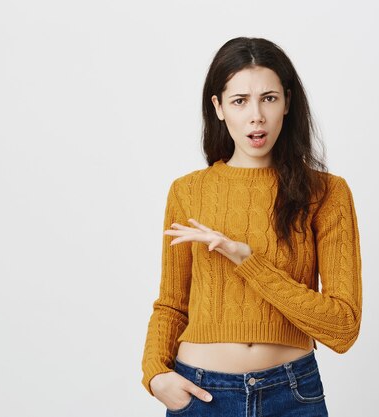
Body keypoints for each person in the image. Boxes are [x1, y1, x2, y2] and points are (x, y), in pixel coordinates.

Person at [141, 37, 362, 417]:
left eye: (269, 98)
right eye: (240, 100)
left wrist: (247, 260)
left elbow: (342, 328)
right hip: (201, 394)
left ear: (287, 103)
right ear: (219, 108)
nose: (256, 115)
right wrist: (154, 375)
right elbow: (172, 305)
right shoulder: (188, 191)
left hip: (292, 395)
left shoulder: (327, 193)